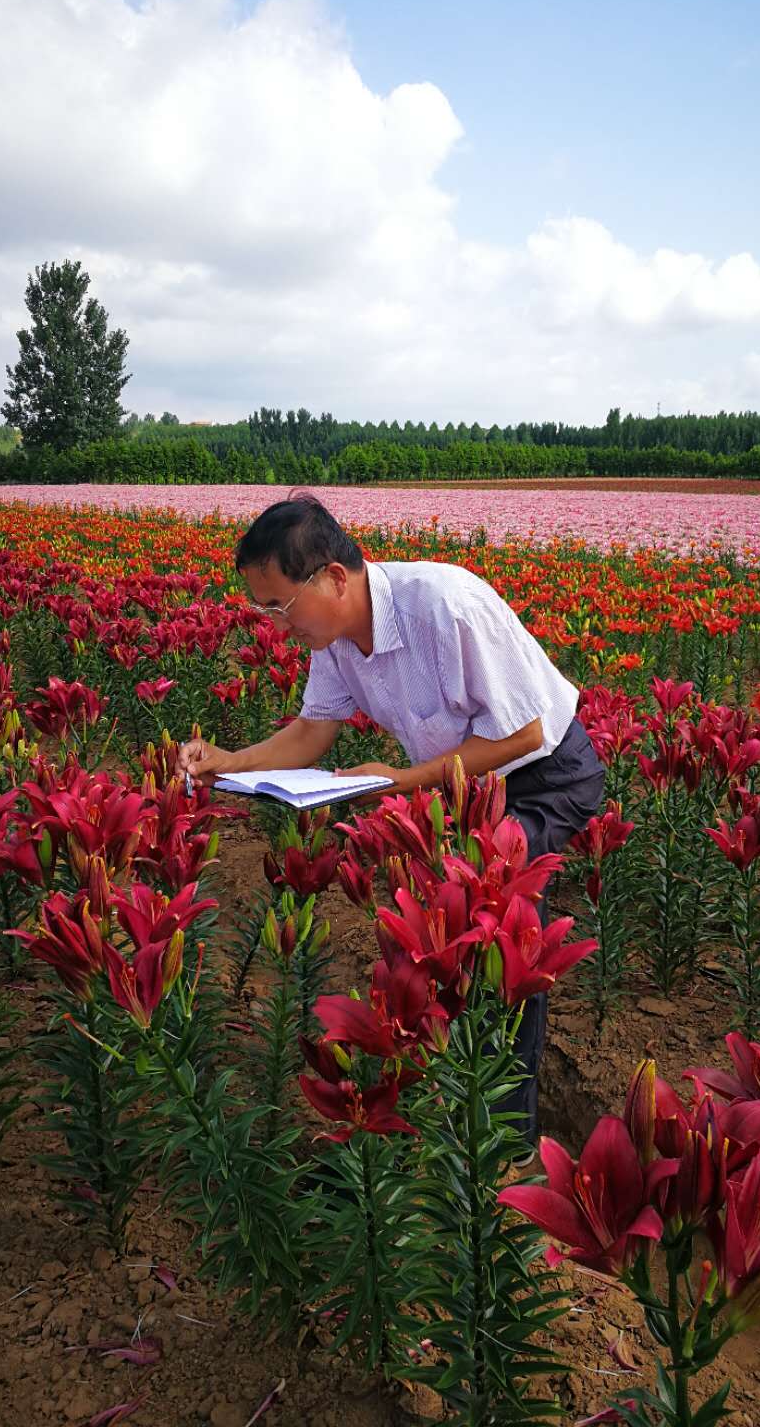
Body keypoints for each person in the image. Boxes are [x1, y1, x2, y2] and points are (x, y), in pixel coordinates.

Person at [177, 493, 605, 1157]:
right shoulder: (338, 639)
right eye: (262, 610)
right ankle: (450, 1115)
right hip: (464, 785)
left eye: (280, 606)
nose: (273, 625)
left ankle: (510, 1149)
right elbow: (313, 731)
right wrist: (231, 761)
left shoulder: (445, 605)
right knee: (454, 936)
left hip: (543, 776)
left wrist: (402, 781)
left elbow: (524, 733)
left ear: (335, 577)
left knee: (501, 933)